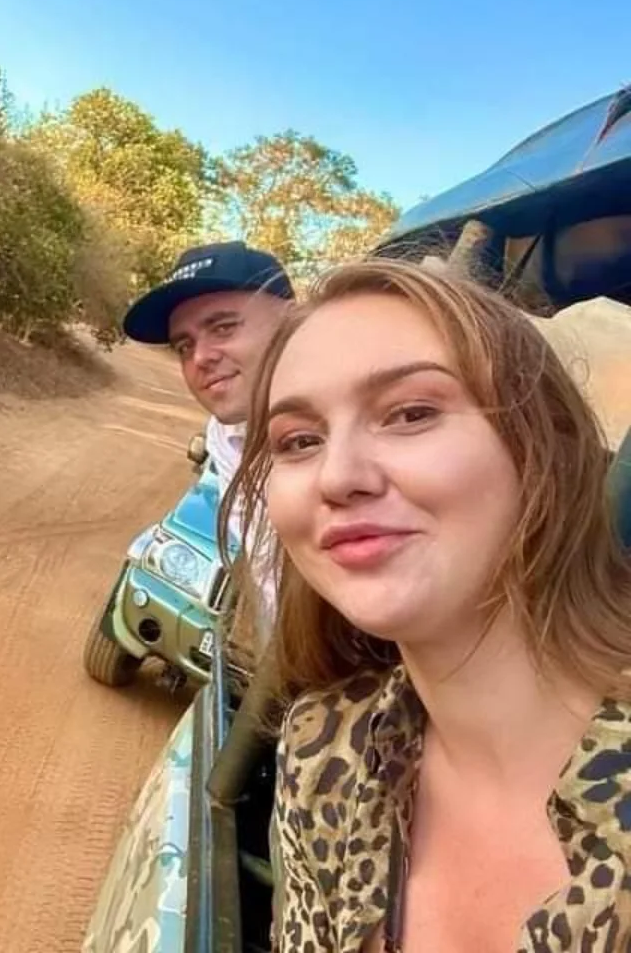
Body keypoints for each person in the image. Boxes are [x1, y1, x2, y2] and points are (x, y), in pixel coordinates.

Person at [226, 258, 631, 952]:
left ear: (545, 450)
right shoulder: (326, 752)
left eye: (411, 413)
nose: (339, 476)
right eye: (299, 441)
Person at [122, 239, 294, 631]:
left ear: (292, 319)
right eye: (184, 346)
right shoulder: (226, 435)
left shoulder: (363, 426)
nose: (200, 358)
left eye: (223, 327)